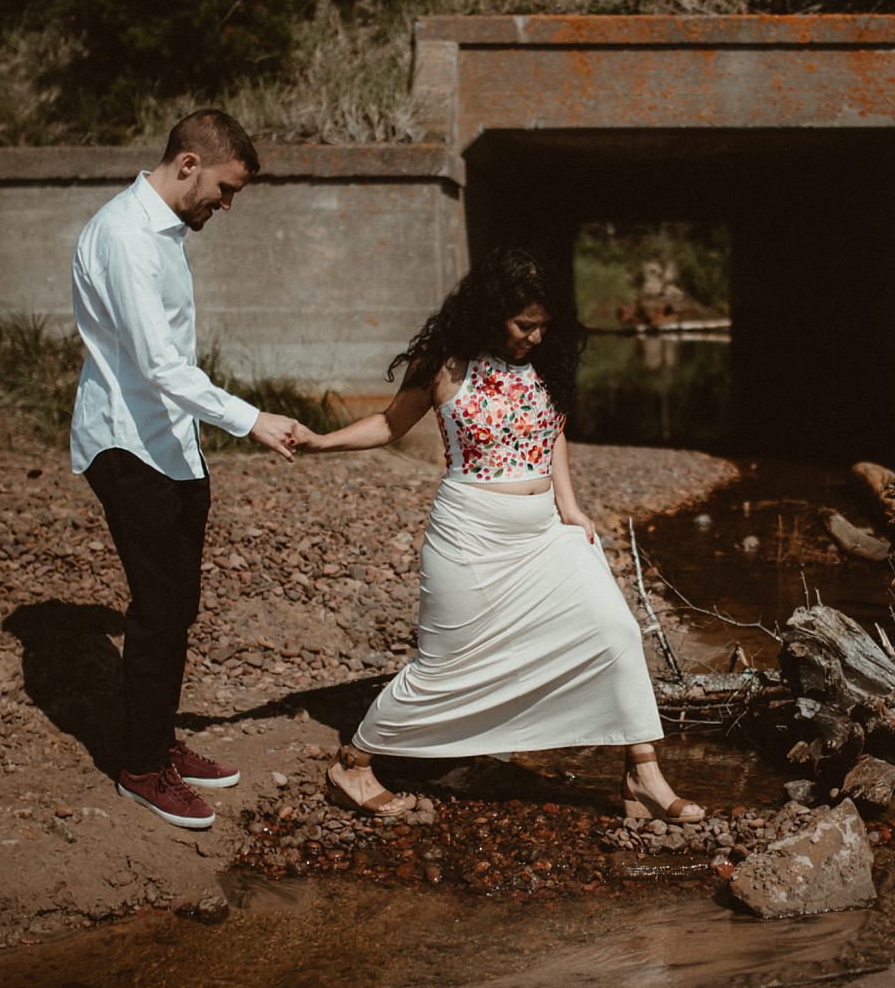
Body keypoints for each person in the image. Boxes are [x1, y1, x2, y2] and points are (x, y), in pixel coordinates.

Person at [296, 249, 704, 824]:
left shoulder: (547, 361)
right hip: (469, 537)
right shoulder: (444, 364)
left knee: (615, 631)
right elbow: (389, 424)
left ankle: (643, 776)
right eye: (524, 325)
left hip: (546, 535)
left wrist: (570, 505)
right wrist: (318, 442)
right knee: (445, 666)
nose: (536, 336)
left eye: (544, 324)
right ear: (491, 312)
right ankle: (354, 765)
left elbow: (552, 431)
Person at [70, 109, 309, 830]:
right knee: (156, 609)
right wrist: (252, 419)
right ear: (187, 164)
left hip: (170, 444)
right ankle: (141, 766)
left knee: (179, 607)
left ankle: (158, 741)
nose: (226, 205)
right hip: (126, 445)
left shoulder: (165, 230)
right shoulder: (125, 235)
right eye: (225, 188)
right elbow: (157, 365)